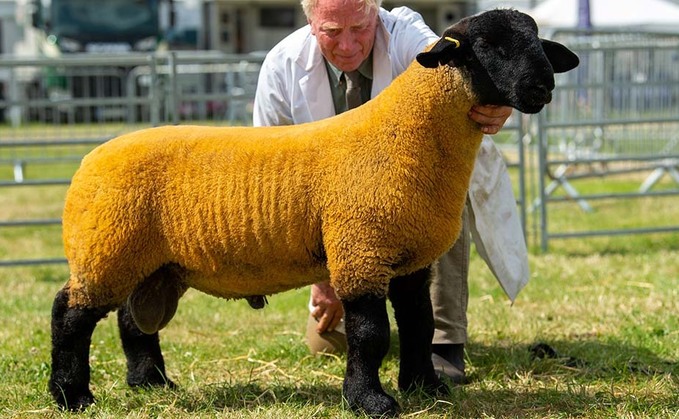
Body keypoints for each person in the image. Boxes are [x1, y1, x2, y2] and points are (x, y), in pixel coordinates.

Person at [252, 0, 529, 384]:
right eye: (332, 31)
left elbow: (464, 64)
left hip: (414, 189)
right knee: (327, 344)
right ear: (311, 22)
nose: (347, 45)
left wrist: (498, 103)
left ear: (377, 15)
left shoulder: (407, 37)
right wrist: (324, 279)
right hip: (337, 216)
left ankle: (444, 342)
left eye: (360, 28)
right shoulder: (282, 66)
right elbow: (272, 176)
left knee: (444, 200)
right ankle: (388, 326)